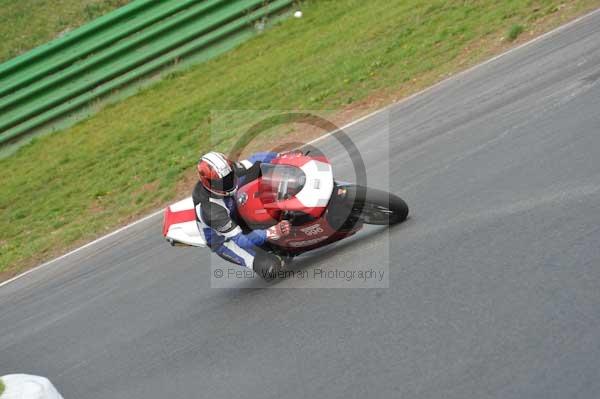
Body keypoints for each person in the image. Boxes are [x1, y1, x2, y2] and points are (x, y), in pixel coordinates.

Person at [192, 151, 291, 279]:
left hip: (236, 211)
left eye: (229, 177)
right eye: (221, 182)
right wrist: (271, 232)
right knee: (270, 268)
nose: (227, 183)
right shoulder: (211, 210)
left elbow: (254, 160)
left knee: (262, 173)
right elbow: (240, 240)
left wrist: (280, 156)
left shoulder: (228, 171)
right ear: (208, 183)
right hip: (226, 240)